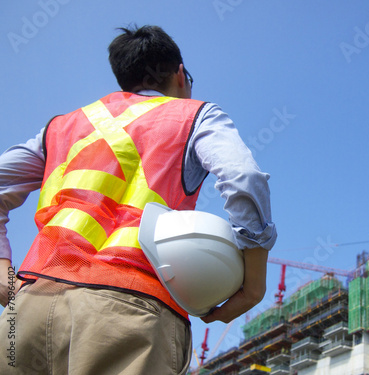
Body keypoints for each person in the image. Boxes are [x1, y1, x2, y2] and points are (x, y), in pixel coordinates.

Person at [0, 25, 276, 374]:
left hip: (28, 308)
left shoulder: (63, 126)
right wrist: (253, 285)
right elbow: (244, 178)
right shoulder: (195, 115)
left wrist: (2, 269)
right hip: (129, 310)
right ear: (180, 74)